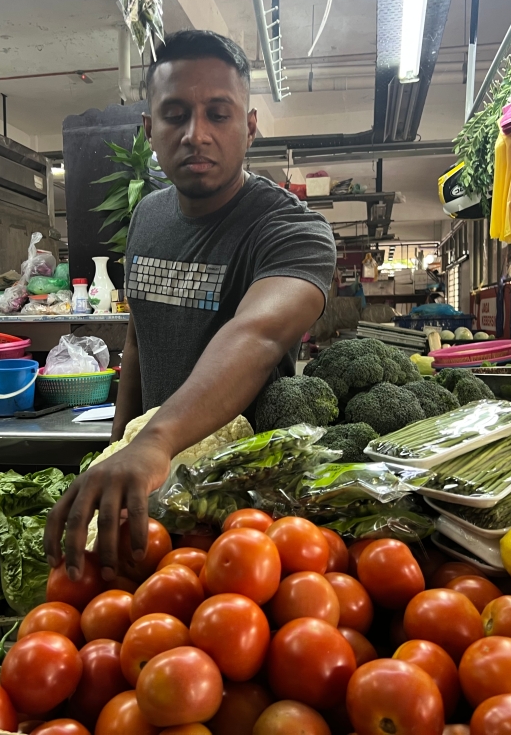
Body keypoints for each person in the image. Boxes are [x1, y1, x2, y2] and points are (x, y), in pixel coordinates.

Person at [45, 30, 336, 582]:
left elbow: (258, 335)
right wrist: (119, 447)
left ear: (249, 127)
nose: (195, 134)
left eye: (218, 114)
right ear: (150, 129)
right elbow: (140, 338)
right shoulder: (148, 217)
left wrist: (155, 440)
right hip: (147, 491)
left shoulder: (292, 230)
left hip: (242, 513)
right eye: (175, 115)